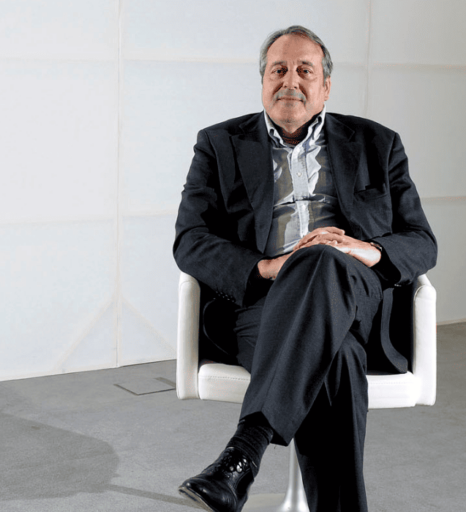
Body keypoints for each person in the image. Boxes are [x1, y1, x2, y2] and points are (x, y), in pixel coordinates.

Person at [172, 26, 437, 512]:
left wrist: (367, 250)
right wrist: (269, 266)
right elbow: (190, 239)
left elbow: (422, 241)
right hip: (263, 305)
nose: (289, 81)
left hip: (356, 296)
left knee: (321, 257)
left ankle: (244, 452)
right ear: (262, 81)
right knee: (337, 358)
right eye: (278, 69)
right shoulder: (219, 144)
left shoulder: (378, 143)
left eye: (304, 70)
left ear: (326, 86)